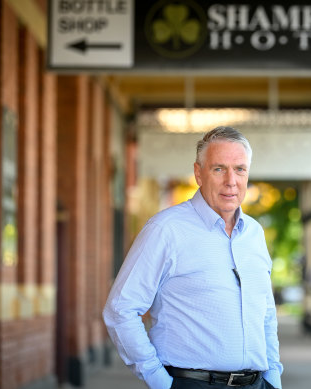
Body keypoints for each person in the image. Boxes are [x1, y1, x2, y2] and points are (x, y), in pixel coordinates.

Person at [103, 126, 283, 389]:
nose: (231, 181)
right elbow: (120, 309)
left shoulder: (254, 234)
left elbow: (266, 313)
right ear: (198, 173)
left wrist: (273, 379)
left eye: (240, 169)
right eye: (219, 169)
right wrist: (161, 382)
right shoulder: (166, 230)